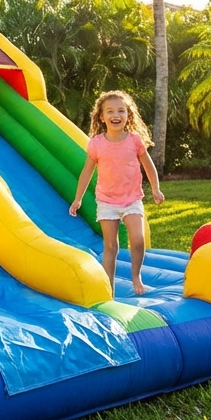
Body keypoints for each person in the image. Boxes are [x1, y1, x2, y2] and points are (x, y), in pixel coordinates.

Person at [69, 90, 164, 296]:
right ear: (101, 117)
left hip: (131, 199)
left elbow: (148, 165)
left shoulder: (134, 140)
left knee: (137, 239)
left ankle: (136, 276)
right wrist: (78, 198)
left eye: (121, 111)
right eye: (110, 111)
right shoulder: (96, 144)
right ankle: (108, 288)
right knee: (111, 246)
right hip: (107, 201)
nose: (116, 115)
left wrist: (155, 188)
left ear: (128, 115)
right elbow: (87, 171)